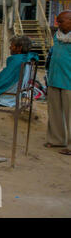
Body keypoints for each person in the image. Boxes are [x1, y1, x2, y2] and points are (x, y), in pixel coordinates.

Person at [44, 10, 71, 155]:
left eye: (61, 21)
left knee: (70, 115)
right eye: (58, 21)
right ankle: (56, 140)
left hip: (69, 81)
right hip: (54, 79)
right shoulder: (57, 36)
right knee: (54, 112)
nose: (58, 24)